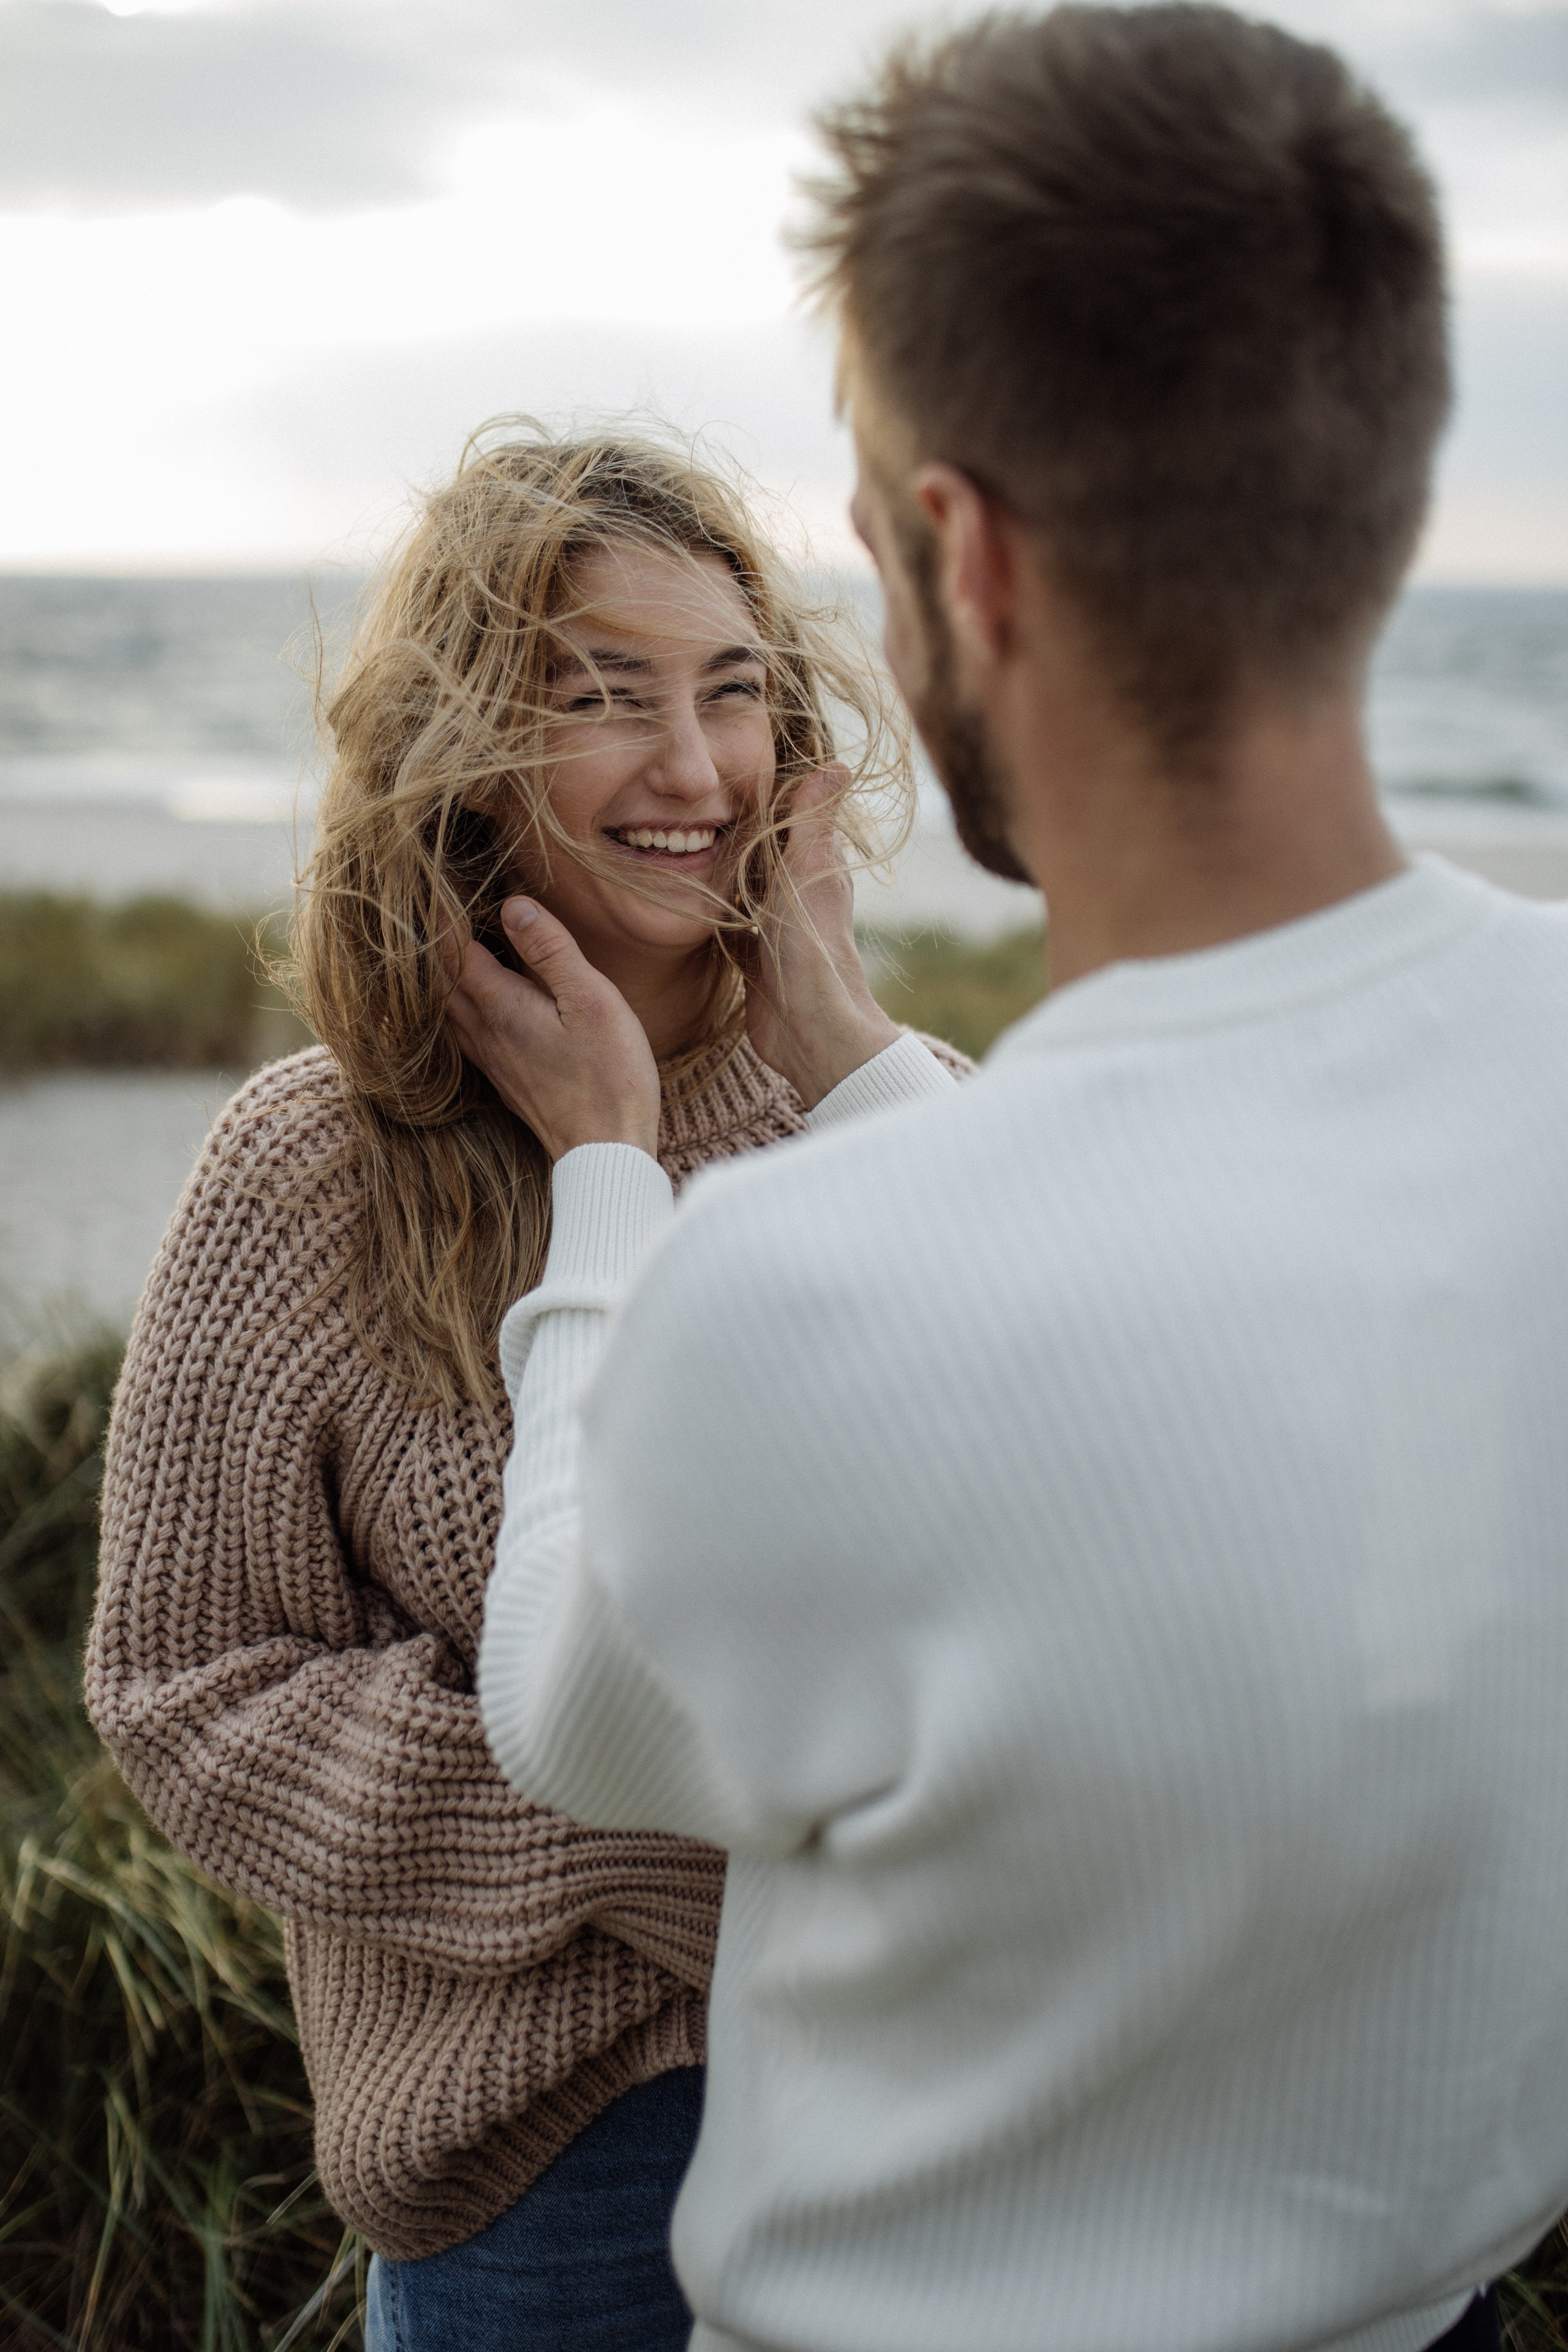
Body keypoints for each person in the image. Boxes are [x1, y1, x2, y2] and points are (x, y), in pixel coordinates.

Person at [461, 11, 1568, 2352]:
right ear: (1383, 482)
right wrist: (865, 1075)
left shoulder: (794, 1298)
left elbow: (568, 1710)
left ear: (953, 553)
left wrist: (606, 1194)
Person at [85, 426, 959, 2350]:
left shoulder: (882, 1120)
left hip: (927, 2116)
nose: (696, 768)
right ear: (466, 749)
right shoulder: (309, 1168)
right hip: (559, 2174)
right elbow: (182, 1686)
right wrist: (642, 1823)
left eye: (735, 694)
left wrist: (864, 1055)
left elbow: (1084, 1532)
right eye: (608, 698)